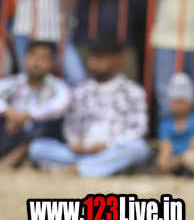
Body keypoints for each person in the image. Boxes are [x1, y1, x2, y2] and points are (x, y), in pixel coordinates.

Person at [27, 38, 151, 177]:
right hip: (81, 153)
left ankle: (78, 169)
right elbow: (70, 128)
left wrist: (109, 144)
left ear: (116, 60)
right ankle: (99, 167)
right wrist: (76, 143)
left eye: (100, 58)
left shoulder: (133, 91)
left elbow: (139, 129)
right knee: (37, 147)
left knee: (139, 148)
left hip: (113, 150)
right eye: (92, 57)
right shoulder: (79, 91)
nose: (94, 62)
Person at [0, 41, 71, 167]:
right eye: (33, 56)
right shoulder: (13, 81)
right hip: (12, 129)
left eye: (44, 58)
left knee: (47, 126)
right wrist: (10, 113)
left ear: (52, 63)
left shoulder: (58, 86)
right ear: (25, 59)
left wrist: (28, 116)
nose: (37, 62)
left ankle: (12, 159)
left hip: (37, 130)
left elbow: (61, 105)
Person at [156, 72, 194, 175]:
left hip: (189, 160)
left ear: (190, 102)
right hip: (173, 161)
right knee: (160, 160)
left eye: (182, 101)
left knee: (193, 158)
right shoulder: (165, 124)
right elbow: (165, 148)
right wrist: (166, 160)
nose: (179, 106)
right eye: (176, 101)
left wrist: (179, 160)